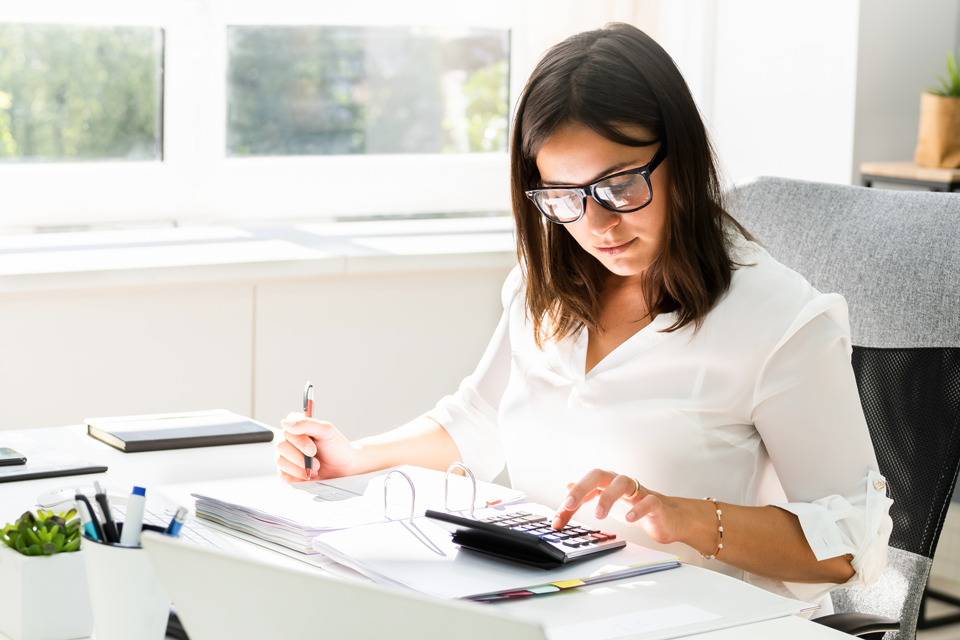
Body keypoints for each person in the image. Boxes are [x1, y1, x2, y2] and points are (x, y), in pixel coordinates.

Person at [276, 23, 892, 605]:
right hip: (547, 602)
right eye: (564, 198)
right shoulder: (544, 288)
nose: (595, 226)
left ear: (682, 157)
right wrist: (355, 458)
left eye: (620, 186)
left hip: (692, 617)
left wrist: (683, 515)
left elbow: (850, 544)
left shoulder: (780, 320)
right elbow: (477, 419)